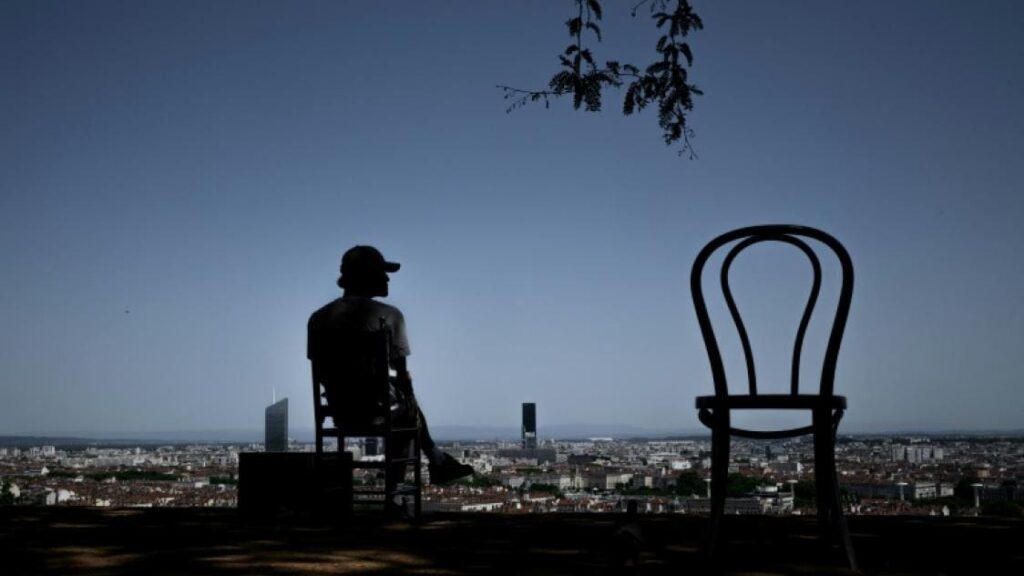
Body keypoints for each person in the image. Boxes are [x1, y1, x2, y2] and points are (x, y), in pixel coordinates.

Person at [307, 245, 473, 485]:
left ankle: (437, 460)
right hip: (379, 411)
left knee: (404, 406)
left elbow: (320, 368)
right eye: (381, 272)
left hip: (341, 412)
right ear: (365, 276)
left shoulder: (318, 319)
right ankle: (406, 486)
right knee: (408, 413)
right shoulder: (389, 316)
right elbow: (404, 378)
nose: (386, 278)